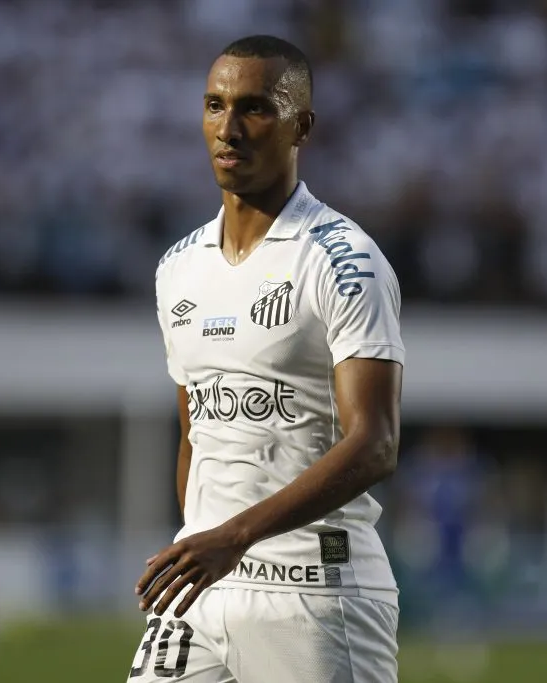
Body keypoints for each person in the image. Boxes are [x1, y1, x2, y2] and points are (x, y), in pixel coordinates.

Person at [126, 35, 405, 683]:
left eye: (254, 108)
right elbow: (196, 429)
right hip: (203, 590)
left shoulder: (342, 261)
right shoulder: (178, 268)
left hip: (317, 590)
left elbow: (376, 443)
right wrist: (201, 538)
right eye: (214, 105)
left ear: (301, 124)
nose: (229, 128)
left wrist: (235, 536)